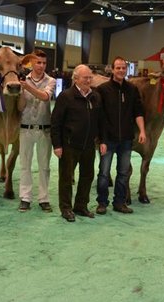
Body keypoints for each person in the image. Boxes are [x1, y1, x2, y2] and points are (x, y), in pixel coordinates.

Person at [51, 64, 102, 222]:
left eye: (90, 77)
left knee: (87, 176)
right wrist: (57, 145)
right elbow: (56, 122)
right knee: (66, 178)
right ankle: (66, 208)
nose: (88, 80)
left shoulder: (95, 97)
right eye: (85, 77)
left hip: (88, 146)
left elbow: (100, 122)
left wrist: (101, 140)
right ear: (76, 79)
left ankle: (81, 206)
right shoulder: (65, 96)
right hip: (69, 145)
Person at [95, 56, 146, 215]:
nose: (121, 70)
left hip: (126, 139)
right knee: (104, 173)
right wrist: (101, 139)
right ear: (112, 69)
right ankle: (102, 203)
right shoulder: (102, 89)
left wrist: (142, 130)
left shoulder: (132, 89)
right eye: (118, 68)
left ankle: (120, 202)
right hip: (107, 139)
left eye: (123, 68)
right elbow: (99, 116)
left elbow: (138, 112)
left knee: (123, 173)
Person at [17, 49, 56, 213]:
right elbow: (19, 107)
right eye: (38, 62)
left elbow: (46, 97)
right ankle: (25, 198)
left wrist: (28, 88)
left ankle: (44, 198)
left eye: (44, 63)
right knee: (25, 165)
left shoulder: (51, 81)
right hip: (25, 128)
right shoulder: (21, 81)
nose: (41, 66)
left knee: (44, 166)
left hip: (44, 129)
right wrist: (20, 92)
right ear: (31, 63)